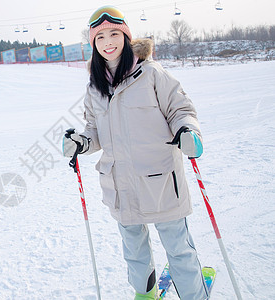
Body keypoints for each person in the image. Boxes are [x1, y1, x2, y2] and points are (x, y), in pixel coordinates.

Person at [63, 5, 208, 300]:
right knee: (134, 252)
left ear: (126, 37)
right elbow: (95, 130)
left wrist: (187, 131)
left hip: (161, 181)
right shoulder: (95, 87)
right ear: (93, 44)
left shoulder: (151, 73)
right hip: (121, 186)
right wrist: (82, 142)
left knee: (178, 248)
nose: (108, 42)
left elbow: (181, 109)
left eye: (114, 33)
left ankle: (195, 296)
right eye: (100, 37)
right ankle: (145, 295)